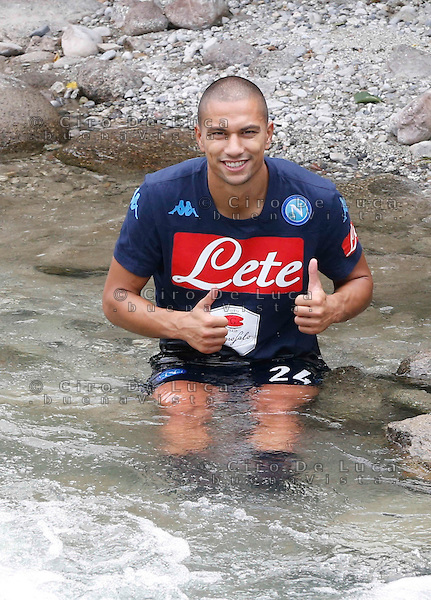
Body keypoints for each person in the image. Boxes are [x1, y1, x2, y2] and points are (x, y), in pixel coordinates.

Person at [102, 76, 373, 456]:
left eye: (248, 132)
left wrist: (333, 308)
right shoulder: (159, 197)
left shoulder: (317, 199)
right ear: (199, 137)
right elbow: (116, 298)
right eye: (219, 134)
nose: (234, 148)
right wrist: (180, 325)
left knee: (276, 419)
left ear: (268, 134)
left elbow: (359, 280)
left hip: (286, 359)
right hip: (187, 356)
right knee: (184, 417)